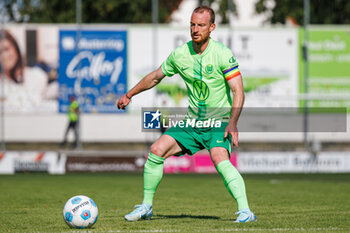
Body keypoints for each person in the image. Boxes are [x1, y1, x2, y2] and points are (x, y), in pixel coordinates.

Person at [117, 6, 256, 223]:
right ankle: (146, 206)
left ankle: (246, 212)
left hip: (218, 122)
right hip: (192, 123)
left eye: (201, 25)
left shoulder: (222, 53)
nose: (195, 29)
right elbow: (155, 77)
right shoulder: (180, 55)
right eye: (192, 24)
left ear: (212, 28)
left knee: (219, 157)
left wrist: (233, 122)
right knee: (156, 150)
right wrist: (129, 94)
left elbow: (238, 90)